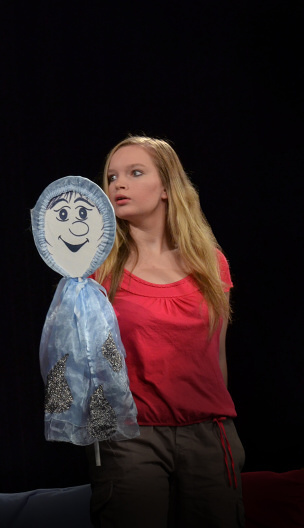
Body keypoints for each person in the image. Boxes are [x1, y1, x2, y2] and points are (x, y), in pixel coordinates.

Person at [88, 136, 245, 527]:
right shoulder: (98, 270)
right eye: (112, 177)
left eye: (135, 173)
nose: (119, 184)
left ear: (166, 188)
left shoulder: (210, 264)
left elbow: (217, 357)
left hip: (210, 436)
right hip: (131, 439)